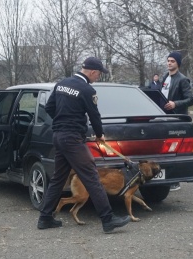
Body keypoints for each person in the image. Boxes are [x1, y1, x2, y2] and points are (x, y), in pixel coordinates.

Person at [37, 57, 130, 233]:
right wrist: (100, 134)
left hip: (58, 135)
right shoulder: (87, 90)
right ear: (93, 72)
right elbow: (94, 115)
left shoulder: (61, 84)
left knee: (58, 178)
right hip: (72, 139)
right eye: (99, 74)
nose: (98, 77)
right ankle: (108, 219)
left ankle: (45, 218)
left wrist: (62, 119)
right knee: (92, 176)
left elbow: (49, 107)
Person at [161, 51, 193, 191]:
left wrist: (176, 104)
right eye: (168, 60)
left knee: (174, 149)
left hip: (176, 117)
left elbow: (190, 99)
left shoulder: (182, 79)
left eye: (172, 61)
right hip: (163, 116)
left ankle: (175, 180)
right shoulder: (165, 77)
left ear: (178, 64)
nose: (169, 63)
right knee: (163, 148)